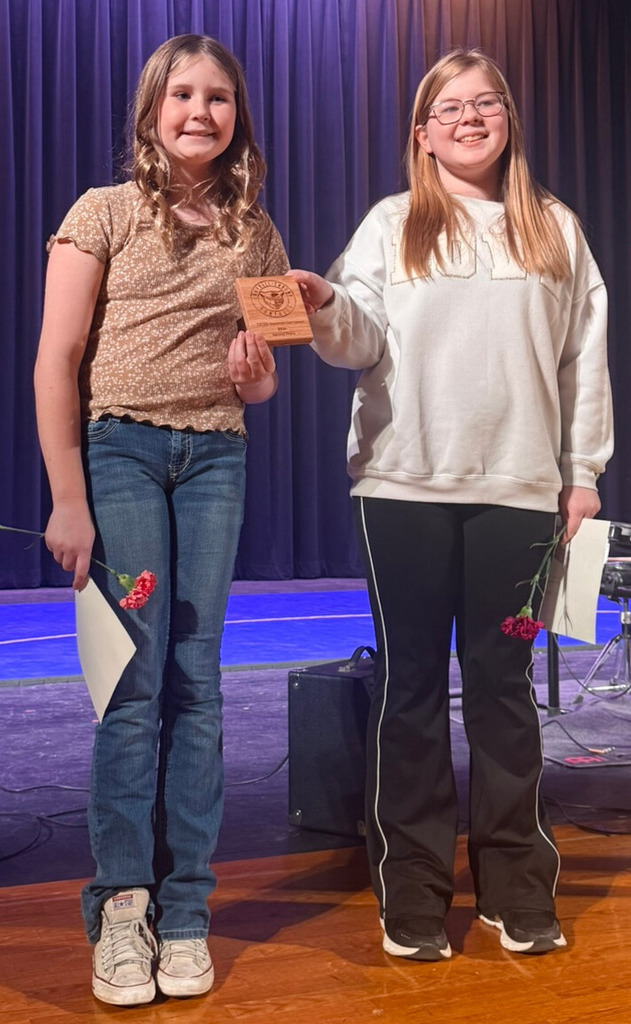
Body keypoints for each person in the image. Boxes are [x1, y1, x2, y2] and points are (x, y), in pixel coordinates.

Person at [289, 49, 613, 962]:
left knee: (505, 696)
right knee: (410, 692)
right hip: (403, 489)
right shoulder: (392, 225)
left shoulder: (554, 228)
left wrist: (581, 470)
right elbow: (352, 338)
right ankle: (416, 898)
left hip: (518, 494)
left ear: (507, 118)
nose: (469, 119)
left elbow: (583, 359)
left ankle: (515, 890)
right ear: (422, 132)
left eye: (485, 104)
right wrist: (319, 304)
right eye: (448, 107)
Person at [34, 34, 288, 1006]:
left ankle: (187, 913)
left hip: (216, 455)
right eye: (182, 93)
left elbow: (262, 378)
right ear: (151, 110)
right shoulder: (99, 213)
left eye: (218, 97)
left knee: (198, 679)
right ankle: (120, 908)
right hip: (122, 455)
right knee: (132, 685)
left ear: (237, 118)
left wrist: (256, 377)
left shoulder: (254, 230)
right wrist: (67, 495)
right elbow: (57, 359)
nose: (200, 110)